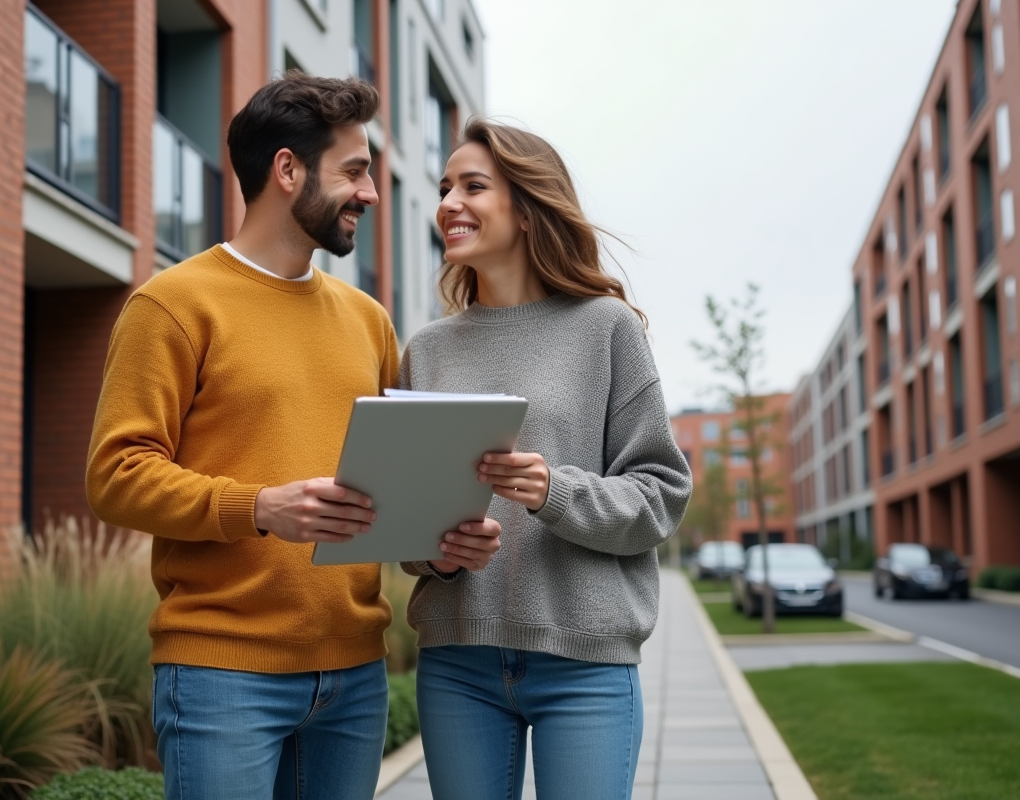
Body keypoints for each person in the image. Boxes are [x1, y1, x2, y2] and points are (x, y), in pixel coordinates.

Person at [85, 73, 502, 800]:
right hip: (221, 674)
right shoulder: (174, 305)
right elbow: (115, 475)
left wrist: (437, 546)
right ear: (287, 170)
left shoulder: (368, 319)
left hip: (354, 676)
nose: (371, 194)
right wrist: (259, 507)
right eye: (354, 171)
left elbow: (390, 495)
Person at [399, 118, 693, 800]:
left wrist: (550, 490)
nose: (448, 203)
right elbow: (408, 526)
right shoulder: (428, 350)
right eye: (444, 188)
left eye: (473, 186)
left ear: (528, 210)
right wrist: (438, 552)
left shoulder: (607, 328)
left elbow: (660, 495)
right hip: (458, 660)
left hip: (585, 661)